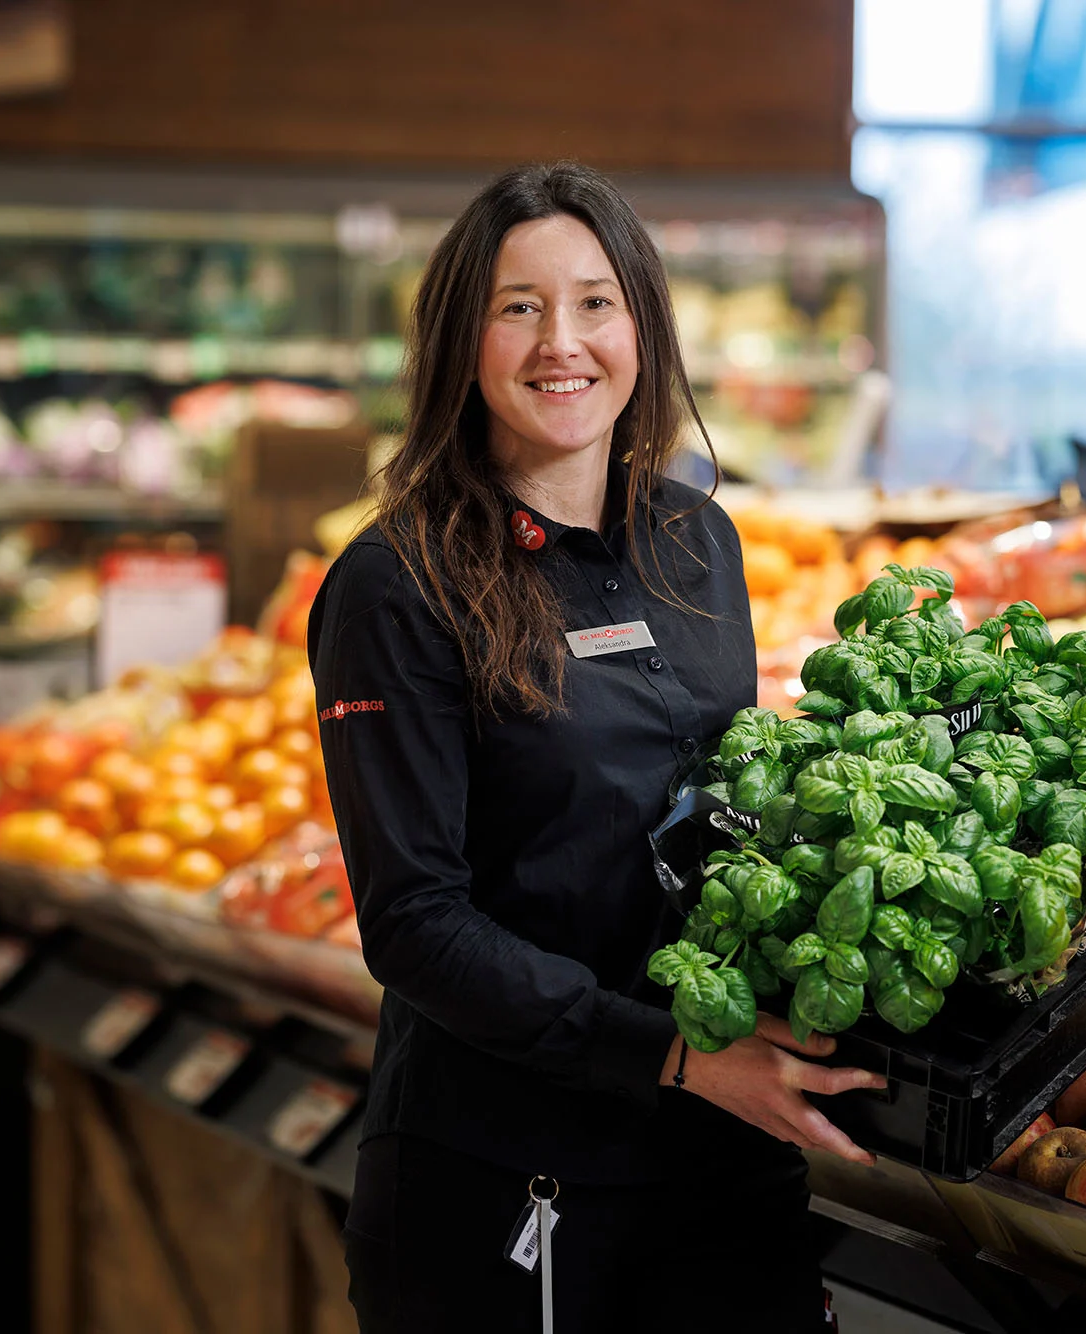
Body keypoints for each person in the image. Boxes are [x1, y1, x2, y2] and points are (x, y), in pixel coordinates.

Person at [309, 162, 884, 1333]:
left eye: (593, 302)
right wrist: (673, 1054)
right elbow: (414, 922)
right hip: (515, 1185)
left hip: (725, 1164)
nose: (557, 342)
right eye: (517, 306)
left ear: (642, 328)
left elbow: (714, 812)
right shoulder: (395, 584)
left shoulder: (698, 539)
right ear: (458, 340)